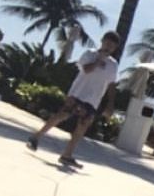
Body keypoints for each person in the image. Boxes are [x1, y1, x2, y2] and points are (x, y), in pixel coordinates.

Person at [26, 30, 120, 168]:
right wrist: (98, 60)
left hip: (93, 99)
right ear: (102, 41)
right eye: (107, 43)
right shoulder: (90, 54)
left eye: (112, 45)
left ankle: (67, 154)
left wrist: (110, 104)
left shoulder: (113, 65)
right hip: (78, 93)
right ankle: (37, 136)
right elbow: (86, 69)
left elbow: (111, 84)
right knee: (62, 115)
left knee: (83, 125)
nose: (109, 47)